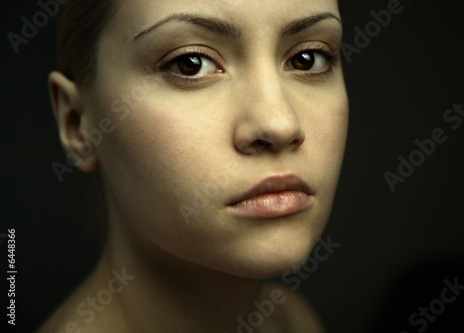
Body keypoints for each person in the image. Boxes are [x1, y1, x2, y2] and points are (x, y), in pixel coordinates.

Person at [37, 0, 348, 332]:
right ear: (76, 123)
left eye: (307, 59)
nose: (280, 124)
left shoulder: (291, 320)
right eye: (191, 63)